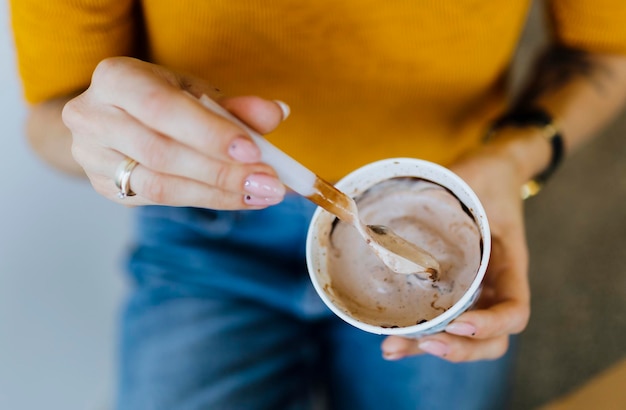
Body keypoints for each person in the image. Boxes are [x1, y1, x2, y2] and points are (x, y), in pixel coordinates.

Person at [10, 1, 626, 409]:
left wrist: (512, 160)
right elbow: (50, 115)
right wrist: (109, 147)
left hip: (456, 190)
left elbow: (607, 49)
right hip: (208, 230)